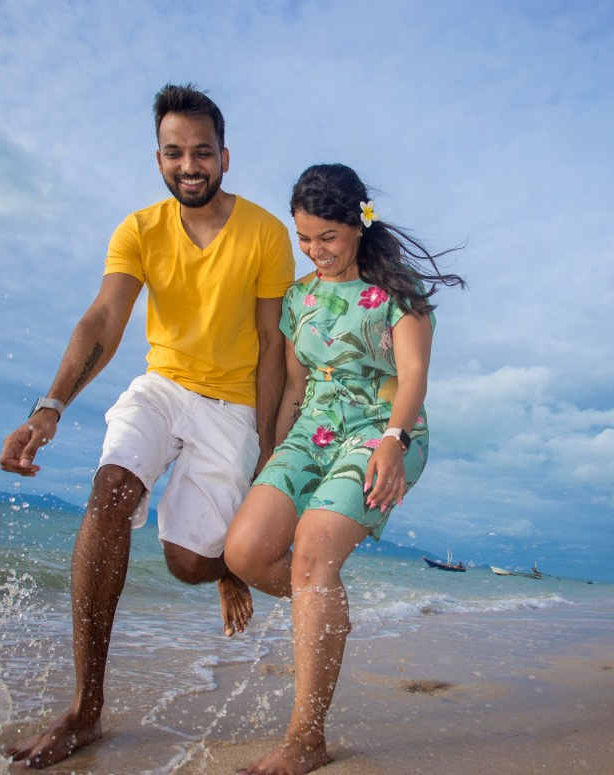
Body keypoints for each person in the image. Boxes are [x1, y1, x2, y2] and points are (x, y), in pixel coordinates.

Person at [0, 83, 295, 769]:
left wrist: (269, 454)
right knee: (109, 493)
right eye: (173, 153)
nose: (188, 165)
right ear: (157, 157)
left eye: (201, 152)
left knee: (188, 562)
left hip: (233, 408)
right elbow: (104, 319)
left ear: (225, 155)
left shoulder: (265, 233)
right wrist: (50, 406)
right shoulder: (138, 228)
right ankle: (85, 709)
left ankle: (225, 565)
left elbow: (273, 343)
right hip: (161, 387)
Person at [224, 163, 464, 775]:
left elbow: (413, 376)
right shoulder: (300, 298)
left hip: (382, 431)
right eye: (304, 237)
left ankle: (306, 737)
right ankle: (325, 607)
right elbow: (295, 387)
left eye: (326, 237)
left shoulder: (399, 292)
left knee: (312, 554)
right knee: (245, 553)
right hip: (312, 433)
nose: (314, 250)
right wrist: (271, 458)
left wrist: (393, 438)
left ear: (358, 224)